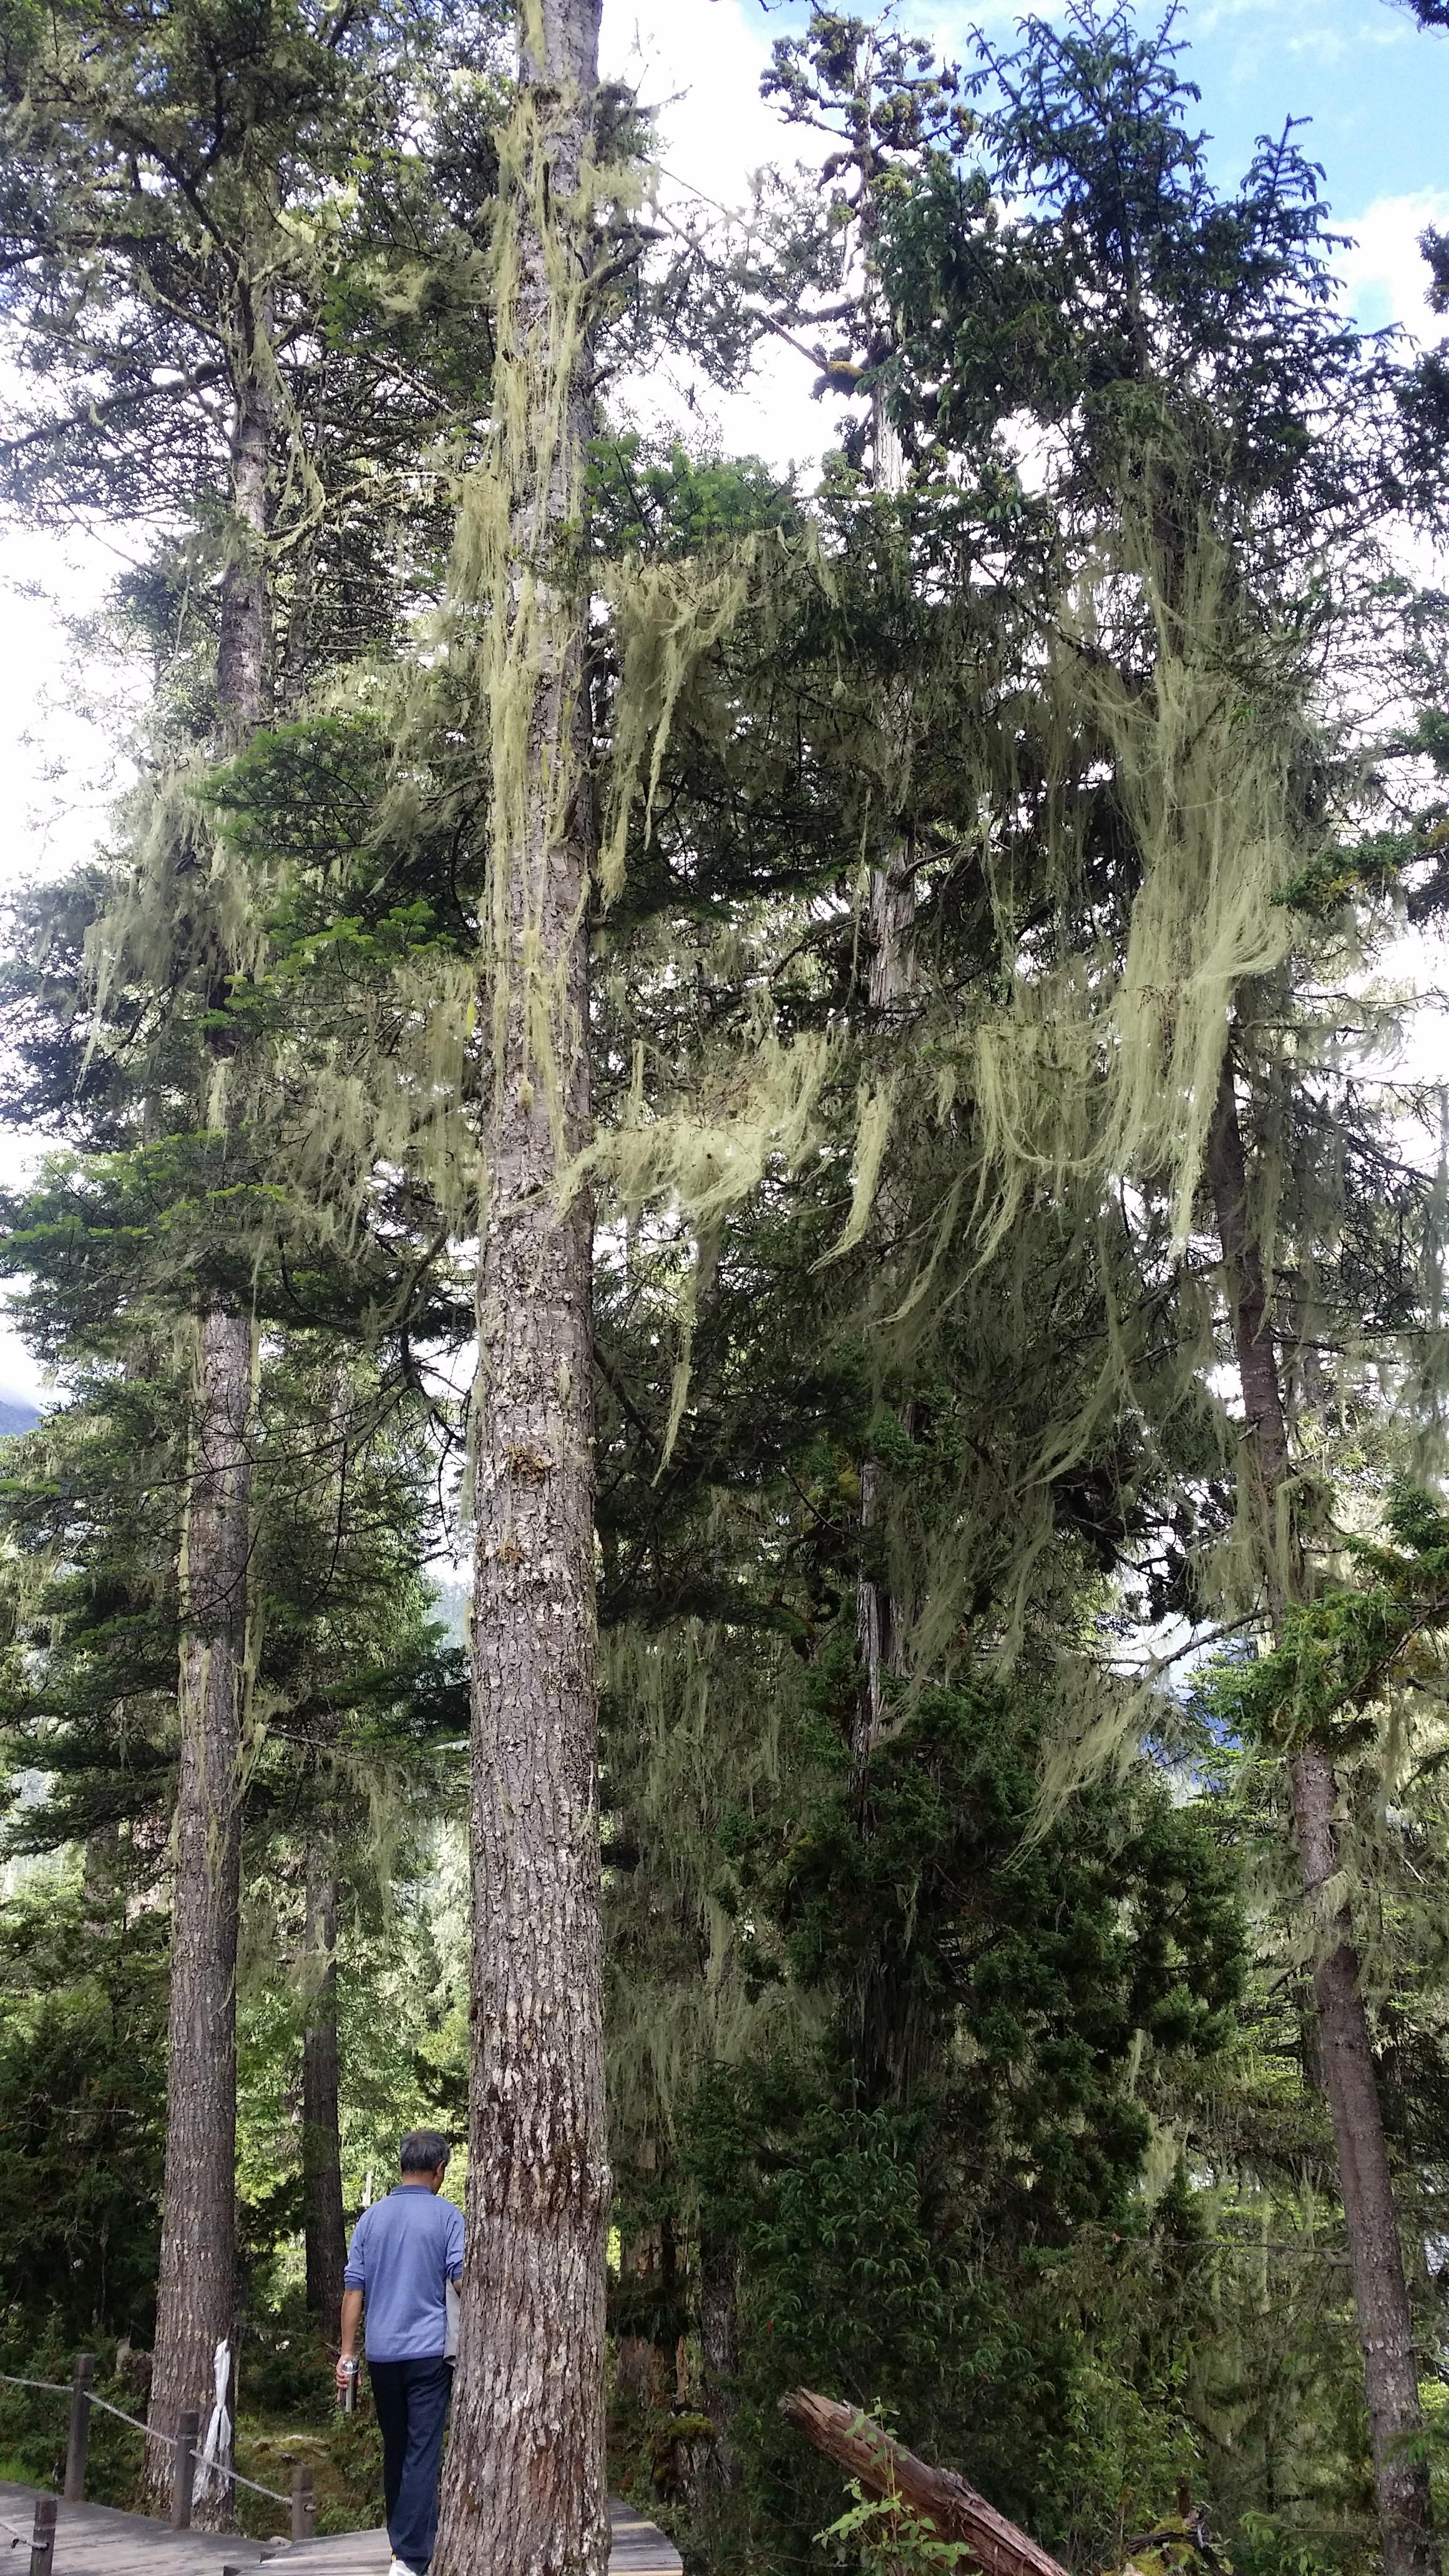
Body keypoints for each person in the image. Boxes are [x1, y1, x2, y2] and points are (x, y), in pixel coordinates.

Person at [337, 2127, 464, 2576]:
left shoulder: (371, 2219)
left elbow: (354, 2289)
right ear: (439, 2170)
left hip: (382, 2354)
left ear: (401, 2167)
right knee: (422, 2452)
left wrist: (347, 2354)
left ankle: (402, 2546)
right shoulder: (449, 2217)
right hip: (429, 2353)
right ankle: (410, 2560)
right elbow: (460, 2279)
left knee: (396, 2448)